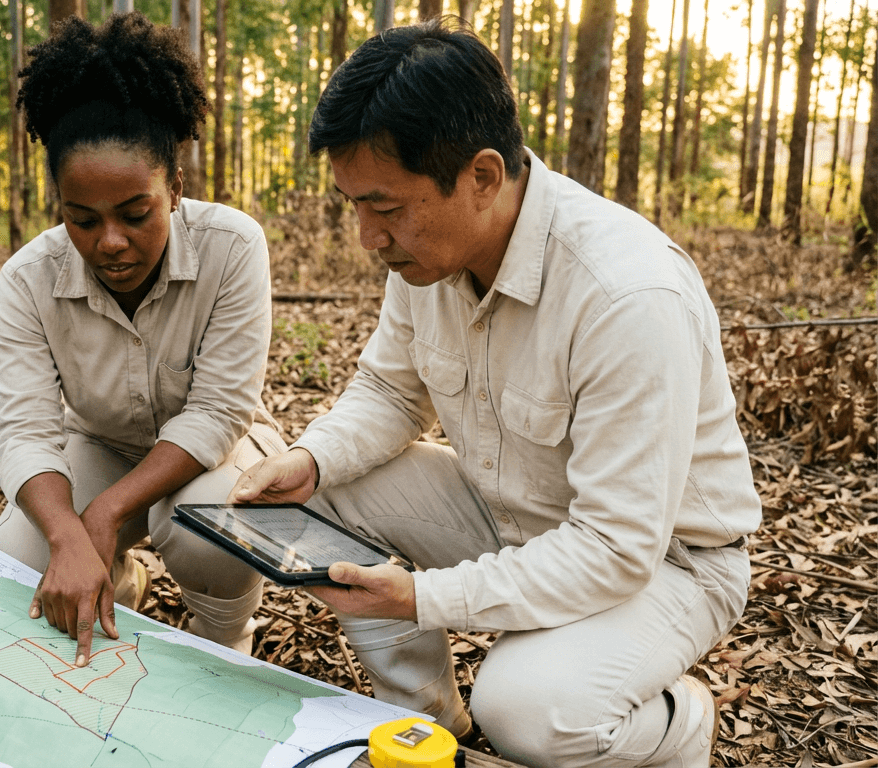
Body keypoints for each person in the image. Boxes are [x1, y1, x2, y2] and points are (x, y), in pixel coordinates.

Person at [229, 19, 760, 768]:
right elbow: (388, 391)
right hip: (510, 512)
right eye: (354, 207)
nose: (367, 238)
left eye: (385, 208)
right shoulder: (427, 261)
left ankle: (678, 725)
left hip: (668, 563)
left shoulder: (625, 295)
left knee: (529, 712)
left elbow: (614, 548)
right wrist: (312, 460)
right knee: (314, 490)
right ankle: (424, 726)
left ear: (481, 176)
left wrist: (420, 596)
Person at [0, 12, 284, 669]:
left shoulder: (233, 247)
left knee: (207, 527)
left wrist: (106, 513)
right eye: (82, 219)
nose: (111, 242)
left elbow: (218, 412)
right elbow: (26, 430)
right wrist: (68, 531)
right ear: (58, 203)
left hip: (218, 457)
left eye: (135, 213)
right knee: (13, 567)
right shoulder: (27, 279)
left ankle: (225, 641)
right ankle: (117, 588)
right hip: (101, 446)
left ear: (174, 189)